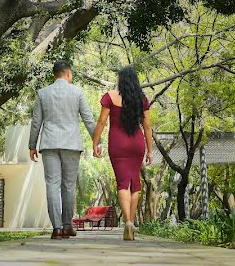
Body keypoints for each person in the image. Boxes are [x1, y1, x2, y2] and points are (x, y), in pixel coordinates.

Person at [28, 59, 97, 239]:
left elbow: (36, 123)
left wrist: (31, 146)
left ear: (54, 74)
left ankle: (57, 228)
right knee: (68, 186)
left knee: (52, 185)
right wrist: (97, 142)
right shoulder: (78, 92)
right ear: (68, 74)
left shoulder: (43, 93)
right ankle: (67, 225)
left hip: (49, 144)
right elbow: (89, 119)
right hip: (72, 145)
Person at [92, 66, 153, 241]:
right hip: (136, 144)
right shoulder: (142, 99)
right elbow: (147, 126)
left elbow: (102, 122)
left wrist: (95, 143)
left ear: (120, 79)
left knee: (122, 183)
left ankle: (127, 222)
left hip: (117, 144)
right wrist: (150, 150)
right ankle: (131, 221)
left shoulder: (110, 97)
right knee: (135, 183)